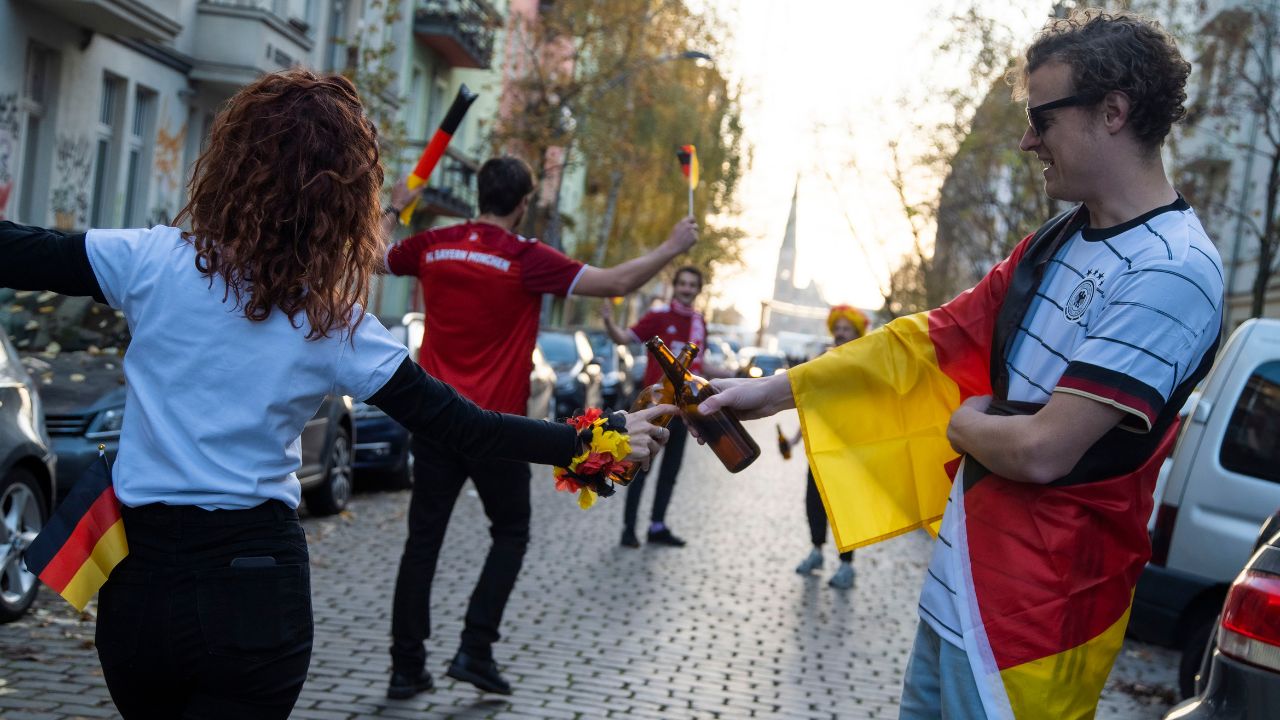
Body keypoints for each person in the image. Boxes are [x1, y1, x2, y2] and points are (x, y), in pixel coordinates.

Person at [0, 70, 673, 720]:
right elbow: (464, 426)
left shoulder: (148, 260)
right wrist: (596, 443)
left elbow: (20, 249)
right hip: (254, 586)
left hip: (138, 587)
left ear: (232, 162)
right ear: (340, 201)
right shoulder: (332, 323)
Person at [697, 11, 1222, 719]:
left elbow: (1040, 451)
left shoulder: (1175, 271)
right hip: (960, 589)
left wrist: (961, 422)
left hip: (1040, 619)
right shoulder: (1058, 239)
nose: (1028, 138)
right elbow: (926, 340)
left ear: (1113, 112)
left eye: (1042, 116)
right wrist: (770, 391)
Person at [382, 156, 698, 698]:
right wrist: (672, 246)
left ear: (480, 193)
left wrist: (390, 209)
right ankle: (475, 651)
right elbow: (616, 281)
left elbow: (369, 256)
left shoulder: (433, 245)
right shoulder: (525, 257)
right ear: (524, 203)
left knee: (421, 544)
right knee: (510, 533)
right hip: (495, 431)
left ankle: (406, 669)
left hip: (433, 421)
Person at [601, 265, 708, 548]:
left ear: (698, 290)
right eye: (682, 283)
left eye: (692, 284)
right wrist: (609, 323)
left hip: (685, 412)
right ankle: (628, 529)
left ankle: (657, 527)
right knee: (638, 468)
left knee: (670, 473)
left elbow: (700, 366)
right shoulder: (659, 316)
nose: (687, 288)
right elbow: (625, 338)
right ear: (675, 286)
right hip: (652, 409)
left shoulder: (700, 323)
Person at [791, 305, 867, 588]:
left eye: (846, 329)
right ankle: (816, 552)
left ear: (857, 332)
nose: (839, 334)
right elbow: (813, 404)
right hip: (821, 446)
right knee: (813, 500)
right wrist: (797, 437)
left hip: (850, 448)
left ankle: (847, 565)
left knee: (844, 507)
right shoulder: (824, 359)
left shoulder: (864, 362)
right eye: (837, 328)